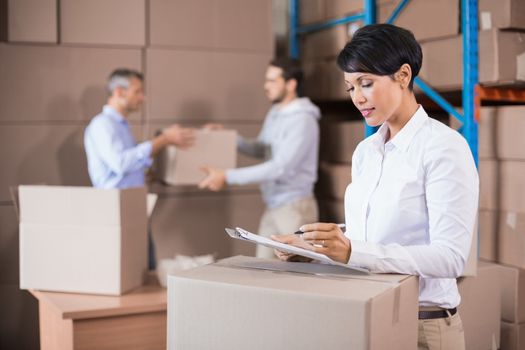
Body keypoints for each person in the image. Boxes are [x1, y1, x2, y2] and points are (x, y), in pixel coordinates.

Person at [272, 24, 479, 350]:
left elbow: (451, 257)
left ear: (403, 75)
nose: (357, 98)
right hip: (368, 315)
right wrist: (313, 247)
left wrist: (353, 251)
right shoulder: (366, 153)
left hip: (423, 325)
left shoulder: (443, 148)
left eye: (366, 83)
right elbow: (370, 235)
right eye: (350, 87)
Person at [199, 58, 321, 259]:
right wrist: (230, 138)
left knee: (297, 274)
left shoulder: (303, 119)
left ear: (291, 84)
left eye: (273, 81)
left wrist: (227, 176)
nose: (266, 86)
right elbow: (262, 149)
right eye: (266, 80)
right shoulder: (275, 113)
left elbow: (280, 167)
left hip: (294, 207)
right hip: (273, 204)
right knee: (263, 267)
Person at [84, 68, 195, 269]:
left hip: (133, 207)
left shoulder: (121, 126)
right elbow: (120, 163)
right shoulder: (102, 125)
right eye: (137, 91)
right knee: (126, 271)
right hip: (114, 211)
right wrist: (164, 140)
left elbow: (127, 166)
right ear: (119, 92)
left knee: (145, 268)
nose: (142, 98)